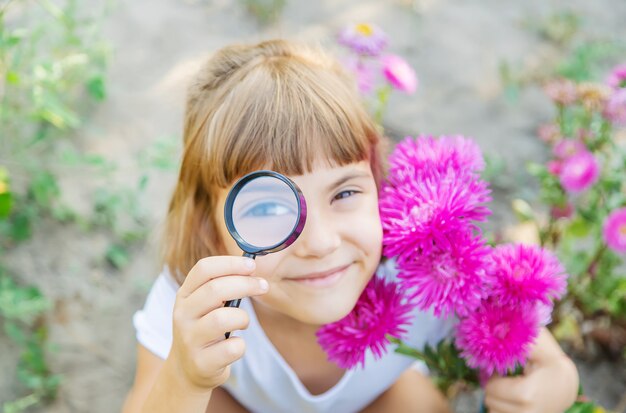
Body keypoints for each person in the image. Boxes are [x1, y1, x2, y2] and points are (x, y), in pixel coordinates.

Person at [122, 39, 580, 413]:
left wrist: (560, 379)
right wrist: (185, 377)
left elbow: (533, 352)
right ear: (209, 224)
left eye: (344, 193)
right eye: (268, 209)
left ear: (380, 190)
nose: (319, 243)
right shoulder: (195, 304)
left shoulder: (431, 273)